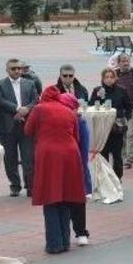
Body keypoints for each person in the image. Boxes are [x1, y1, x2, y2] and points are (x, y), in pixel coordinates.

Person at [25, 86, 86, 253]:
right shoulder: (68, 111)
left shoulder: (39, 109)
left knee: (50, 197)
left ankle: (54, 244)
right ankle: (65, 242)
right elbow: (77, 136)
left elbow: (28, 130)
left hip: (49, 155)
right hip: (70, 154)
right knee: (66, 197)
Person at [0, 59, 38, 197]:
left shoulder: (30, 83)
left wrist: (26, 109)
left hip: (27, 125)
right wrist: (17, 109)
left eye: (19, 68)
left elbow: (36, 100)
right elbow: (0, 100)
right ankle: (15, 185)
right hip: (8, 126)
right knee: (10, 158)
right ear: (7, 69)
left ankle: (30, 186)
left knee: (28, 157)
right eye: (13, 68)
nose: (17, 71)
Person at [58, 93, 92, 246]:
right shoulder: (57, 121)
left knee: (78, 200)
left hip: (76, 166)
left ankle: (81, 231)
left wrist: (82, 169)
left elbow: (84, 150)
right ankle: (66, 231)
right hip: (61, 166)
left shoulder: (80, 122)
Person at [89, 68, 132, 180]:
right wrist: (98, 98)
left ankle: (118, 178)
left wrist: (124, 119)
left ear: (115, 78)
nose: (109, 80)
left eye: (111, 77)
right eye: (106, 77)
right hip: (102, 128)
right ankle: (105, 179)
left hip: (116, 128)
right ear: (102, 79)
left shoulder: (121, 90)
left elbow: (128, 107)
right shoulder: (98, 90)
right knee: (104, 154)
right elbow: (91, 106)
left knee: (117, 155)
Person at [115, 53, 133, 169]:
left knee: (132, 133)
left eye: (127, 60)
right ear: (119, 63)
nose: (126, 63)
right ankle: (123, 155)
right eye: (123, 61)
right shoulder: (114, 75)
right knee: (122, 134)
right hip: (119, 110)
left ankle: (129, 158)